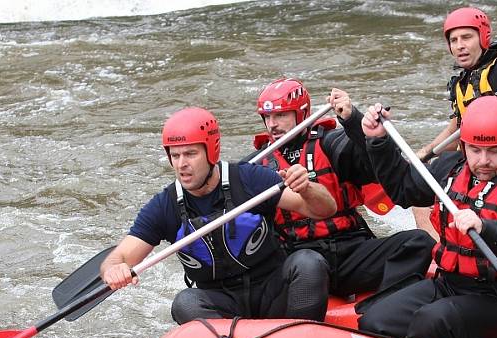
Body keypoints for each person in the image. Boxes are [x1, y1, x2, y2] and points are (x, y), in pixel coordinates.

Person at [358, 96, 497, 338]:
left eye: (494, 150)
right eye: (475, 150)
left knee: (431, 322)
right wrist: (378, 142)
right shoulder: (451, 167)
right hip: (452, 285)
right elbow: (403, 191)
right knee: (375, 321)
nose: (484, 161)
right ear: (464, 145)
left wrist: (487, 228)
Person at [100, 107, 337, 324]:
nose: (182, 164)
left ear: (211, 151)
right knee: (186, 302)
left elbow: (325, 209)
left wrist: (307, 188)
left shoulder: (249, 179)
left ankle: (298, 337)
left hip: (272, 290)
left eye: (190, 154)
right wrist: (114, 270)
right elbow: (118, 257)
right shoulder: (165, 205)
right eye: (175, 156)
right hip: (221, 302)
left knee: (308, 263)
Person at [247, 78, 435, 320]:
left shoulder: (332, 142)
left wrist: (352, 120)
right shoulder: (255, 164)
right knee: (305, 263)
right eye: (267, 117)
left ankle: (383, 309)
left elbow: (373, 161)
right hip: (298, 259)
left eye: (281, 116)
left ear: (301, 113)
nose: (272, 124)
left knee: (419, 242)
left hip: (349, 252)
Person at [413, 6, 497, 240]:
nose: (460, 45)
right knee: (422, 187)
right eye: (453, 40)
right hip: (480, 161)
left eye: (467, 37)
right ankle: (440, 250)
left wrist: (494, 108)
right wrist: (423, 154)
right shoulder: (459, 84)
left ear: (483, 38)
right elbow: (456, 128)